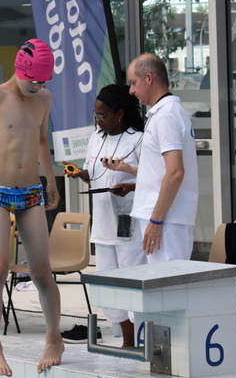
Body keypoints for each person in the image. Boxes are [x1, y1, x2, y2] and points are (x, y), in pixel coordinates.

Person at [0, 39, 63, 377]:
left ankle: (54, 338)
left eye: (43, 81)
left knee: (41, 271)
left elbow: (42, 140)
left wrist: (51, 180)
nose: (38, 87)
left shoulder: (44, 98)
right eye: (33, 80)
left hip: (31, 192)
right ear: (19, 70)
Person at [63, 84, 145, 347]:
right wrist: (79, 173)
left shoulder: (139, 139)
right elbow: (93, 173)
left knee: (132, 281)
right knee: (108, 285)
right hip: (103, 223)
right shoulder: (96, 138)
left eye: (102, 115)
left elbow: (154, 179)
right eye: (95, 115)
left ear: (119, 114)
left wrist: (129, 187)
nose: (98, 120)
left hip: (129, 221)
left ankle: (140, 339)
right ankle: (127, 340)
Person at [121, 53, 198, 262]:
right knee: (160, 280)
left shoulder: (166, 115)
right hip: (163, 217)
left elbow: (175, 172)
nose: (131, 90)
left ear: (148, 78)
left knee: (168, 280)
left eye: (133, 82)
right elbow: (161, 170)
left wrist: (156, 220)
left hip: (166, 219)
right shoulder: (163, 113)